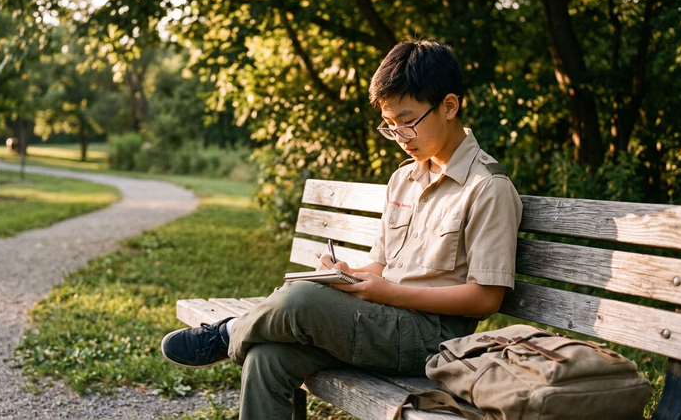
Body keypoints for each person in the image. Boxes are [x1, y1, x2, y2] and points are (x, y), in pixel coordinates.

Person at [161, 40, 523, 419]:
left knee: (299, 300)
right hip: (382, 323)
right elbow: (382, 267)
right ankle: (242, 332)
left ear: (449, 106)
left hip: (435, 341)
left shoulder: (487, 187)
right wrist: (345, 275)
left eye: (408, 120)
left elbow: (486, 299)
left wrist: (390, 294)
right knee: (268, 357)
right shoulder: (405, 178)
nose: (400, 135)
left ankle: (227, 332)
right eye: (390, 125)